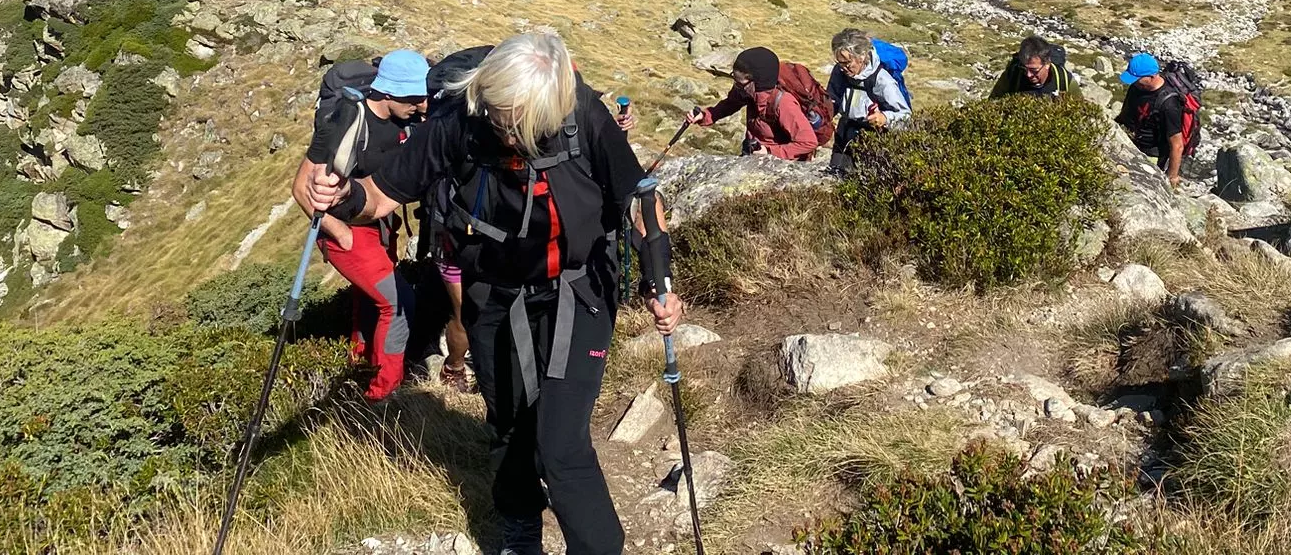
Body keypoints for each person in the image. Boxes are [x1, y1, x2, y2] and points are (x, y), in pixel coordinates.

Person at [296, 32, 681, 555]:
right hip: (494, 292)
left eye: (518, 120)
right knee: (508, 420)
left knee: (560, 442)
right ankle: (520, 526)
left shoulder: (582, 115)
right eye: (499, 115)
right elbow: (383, 196)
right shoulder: (460, 121)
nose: (506, 130)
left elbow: (638, 198)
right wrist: (344, 197)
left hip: (578, 287)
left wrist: (662, 285)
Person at [296, 48, 438, 400]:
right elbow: (301, 187)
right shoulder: (344, 122)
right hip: (349, 231)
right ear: (387, 93)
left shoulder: (405, 119)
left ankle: (360, 364)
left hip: (381, 224)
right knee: (398, 303)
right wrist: (338, 231)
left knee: (369, 301)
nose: (421, 106)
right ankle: (383, 394)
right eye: (413, 99)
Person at [684, 46, 821, 160]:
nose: (736, 85)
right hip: (751, 153)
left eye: (740, 81)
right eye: (735, 78)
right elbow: (729, 105)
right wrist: (704, 115)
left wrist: (769, 152)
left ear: (758, 81)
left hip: (778, 164)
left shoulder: (784, 103)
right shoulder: (746, 90)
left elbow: (808, 142)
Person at [826, 28, 910, 172]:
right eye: (839, 62)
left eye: (847, 63)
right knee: (836, 176)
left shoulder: (882, 80)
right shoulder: (839, 71)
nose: (843, 68)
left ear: (862, 56)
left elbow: (905, 117)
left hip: (873, 138)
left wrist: (884, 118)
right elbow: (831, 100)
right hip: (844, 132)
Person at [1117, 51, 1189, 190]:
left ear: (1151, 77)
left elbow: (1177, 144)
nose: (1134, 82)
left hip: (1151, 155)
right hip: (1130, 144)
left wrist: (1172, 177)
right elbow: (1125, 114)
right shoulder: (1136, 87)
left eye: (1137, 78)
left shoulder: (1169, 104)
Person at [990, 34, 1077, 99]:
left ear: (1047, 64)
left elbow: (1080, 110)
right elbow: (992, 104)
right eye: (1024, 69)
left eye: (1034, 70)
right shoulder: (1013, 75)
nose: (1028, 74)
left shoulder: (1064, 80)